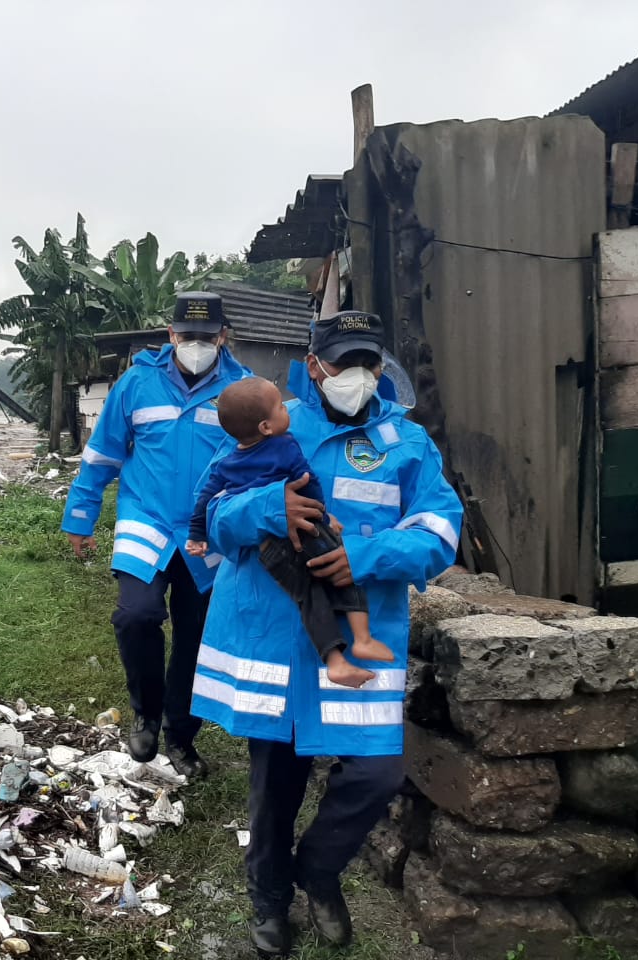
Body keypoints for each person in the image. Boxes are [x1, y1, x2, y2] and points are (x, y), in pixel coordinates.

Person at [190, 310, 462, 956]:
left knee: (377, 775)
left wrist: (363, 556)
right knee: (273, 787)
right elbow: (214, 515)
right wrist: (269, 508)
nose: (358, 374)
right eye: (345, 362)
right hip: (278, 642)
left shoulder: (407, 443)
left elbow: (440, 532)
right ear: (314, 366)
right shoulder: (270, 421)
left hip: (364, 638)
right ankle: (268, 898)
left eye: (369, 361)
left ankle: (317, 869)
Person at [61, 291, 252, 780]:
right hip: (145, 519)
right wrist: (80, 517)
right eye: (186, 335)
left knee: (196, 634)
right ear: (171, 334)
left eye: (205, 336)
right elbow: (103, 453)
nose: (195, 344)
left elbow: (257, 462)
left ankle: (180, 735)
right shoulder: (136, 383)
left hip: (208, 530)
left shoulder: (242, 389)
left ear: (222, 337)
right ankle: (145, 712)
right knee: (136, 615)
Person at [184, 376, 394, 688]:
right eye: (281, 407)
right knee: (343, 569)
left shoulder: (227, 463)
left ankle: (335, 661)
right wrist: (325, 517)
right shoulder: (285, 446)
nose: (287, 410)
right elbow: (307, 481)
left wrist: (196, 534)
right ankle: (362, 639)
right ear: (266, 427)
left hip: (270, 548)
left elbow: (204, 500)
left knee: (309, 595)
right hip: (306, 532)